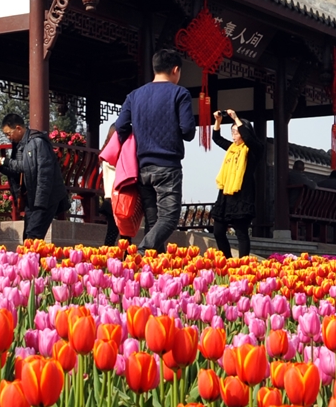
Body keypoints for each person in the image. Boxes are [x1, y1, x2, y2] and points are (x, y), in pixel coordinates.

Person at [111, 48, 196, 250]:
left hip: (142, 168)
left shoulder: (134, 96)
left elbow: (120, 127)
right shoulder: (180, 93)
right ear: (176, 70)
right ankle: (141, 252)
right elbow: (188, 131)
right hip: (168, 167)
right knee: (169, 218)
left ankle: (152, 273)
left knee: (153, 220)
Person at [0, 111, 67, 243]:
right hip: (31, 198)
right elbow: (19, 172)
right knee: (28, 237)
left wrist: (4, 161)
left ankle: (34, 263)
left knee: (33, 237)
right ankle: (34, 263)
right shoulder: (20, 146)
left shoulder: (38, 142)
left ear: (18, 128)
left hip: (45, 198)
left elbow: (33, 169)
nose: (8, 137)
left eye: (8, 133)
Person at [209, 109, 261, 256]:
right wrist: (218, 121)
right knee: (218, 231)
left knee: (241, 232)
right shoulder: (232, 148)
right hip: (226, 194)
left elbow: (250, 140)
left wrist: (236, 118)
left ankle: (243, 265)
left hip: (242, 195)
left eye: (236, 132)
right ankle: (227, 261)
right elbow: (217, 139)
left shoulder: (254, 149)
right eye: (232, 131)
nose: (233, 135)